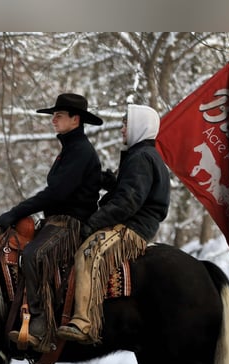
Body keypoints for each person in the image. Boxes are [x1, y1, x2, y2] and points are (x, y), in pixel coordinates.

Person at [0, 93, 106, 353]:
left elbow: (56, 193)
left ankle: (40, 325)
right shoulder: (70, 149)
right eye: (53, 115)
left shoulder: (79, 151)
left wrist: (15, 212)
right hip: (55, 221)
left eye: (59, 115)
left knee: (34, 254)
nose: (53, 120)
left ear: (75, 119)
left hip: (70, 223)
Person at [57, 103, 170, 344]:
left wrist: (92, 224)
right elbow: (125, 187)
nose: (122, 129)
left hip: (133, 228)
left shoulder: (141, 158)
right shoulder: (140, 155)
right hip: (129, 223)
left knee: (89, 253)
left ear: (140, 126)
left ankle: (84, 323)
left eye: (127, 124)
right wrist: (99, 178)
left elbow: (127, 202)